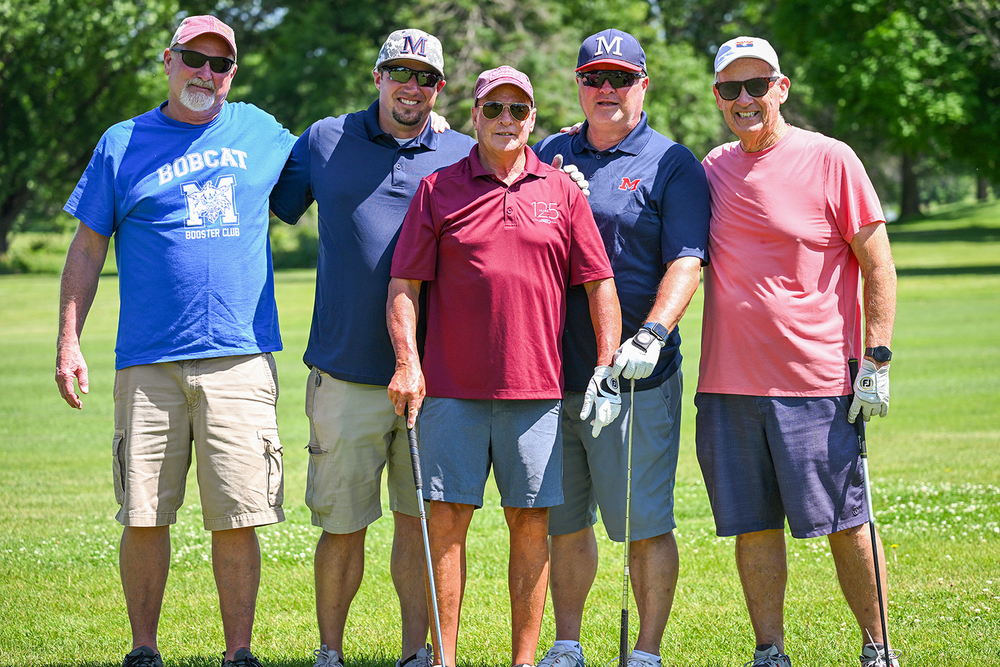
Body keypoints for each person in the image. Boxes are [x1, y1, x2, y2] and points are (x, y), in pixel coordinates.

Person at [56, 15, 295, 667]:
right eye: (194, 59)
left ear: (232, 76)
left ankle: (238, 652)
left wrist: (424, 130)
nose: (206, 74)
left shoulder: (263, 132)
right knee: (143, 511)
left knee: (239, 514)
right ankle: (143, 648)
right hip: (148, 363)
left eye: (220, 65)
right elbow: (86, 246)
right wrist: (69, 340)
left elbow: (336, 161)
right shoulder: (121, 142)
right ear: (168, 60)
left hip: (241, 359)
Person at [386, 65, 623, 667]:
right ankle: (445, 659)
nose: (505, 121)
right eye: (493, 110)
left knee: (530, 526)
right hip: (450, 391)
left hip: (535, 391)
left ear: (533, 120)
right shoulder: (438, 188)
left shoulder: (561, 191)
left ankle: (522, 660)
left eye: (518, 111)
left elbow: (599, 284)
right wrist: (408, 364)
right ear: (474, 116)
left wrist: (605, 366)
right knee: (446, 524)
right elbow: (404, 283)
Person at [268, 29, 476, 667]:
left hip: (436, 378)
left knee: (421, 524)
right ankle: (329, 651)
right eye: (399, 72)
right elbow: (267, 208)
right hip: (344, 370)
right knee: (341, 524)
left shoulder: (466, 152)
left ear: (439, 88)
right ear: (378, 75)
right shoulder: (326, 140)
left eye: (425, 77)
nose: (410, 87)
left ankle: (416, 653)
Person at [697, 36, 898, 667]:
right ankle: (769, 651)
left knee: (845, 520)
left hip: (816, 382)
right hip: (728, 386)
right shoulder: (712, 169)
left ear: (781, 88)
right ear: (718, 98)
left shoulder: (831, 158)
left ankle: (877, 647)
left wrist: (878, 359)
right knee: (752, 525)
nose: (745, 99)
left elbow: (878, 264)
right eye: (732, 89)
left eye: (757, 86)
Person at [530, 28, 712, 667]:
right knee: (563, 521)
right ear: (578, 84)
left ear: (643, 85)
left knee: (643, 523)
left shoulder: (672, 163)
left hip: (635, 376)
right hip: (553, 373)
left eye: (621, 79)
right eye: (593, 78)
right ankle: (567, 642)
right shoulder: (548, 151)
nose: (606, 89)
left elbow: (687, 261)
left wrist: (654, 333)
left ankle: (646, 650)